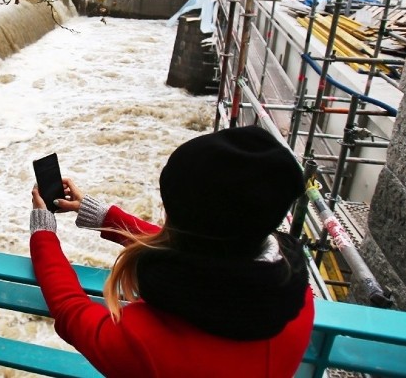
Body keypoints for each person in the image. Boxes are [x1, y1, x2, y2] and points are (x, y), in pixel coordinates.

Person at [29, 126, 314, 378]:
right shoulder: (295, 295)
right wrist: (104, 216)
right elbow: (207, 249)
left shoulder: (144, 343)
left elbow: (71, 310)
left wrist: (43, 232)